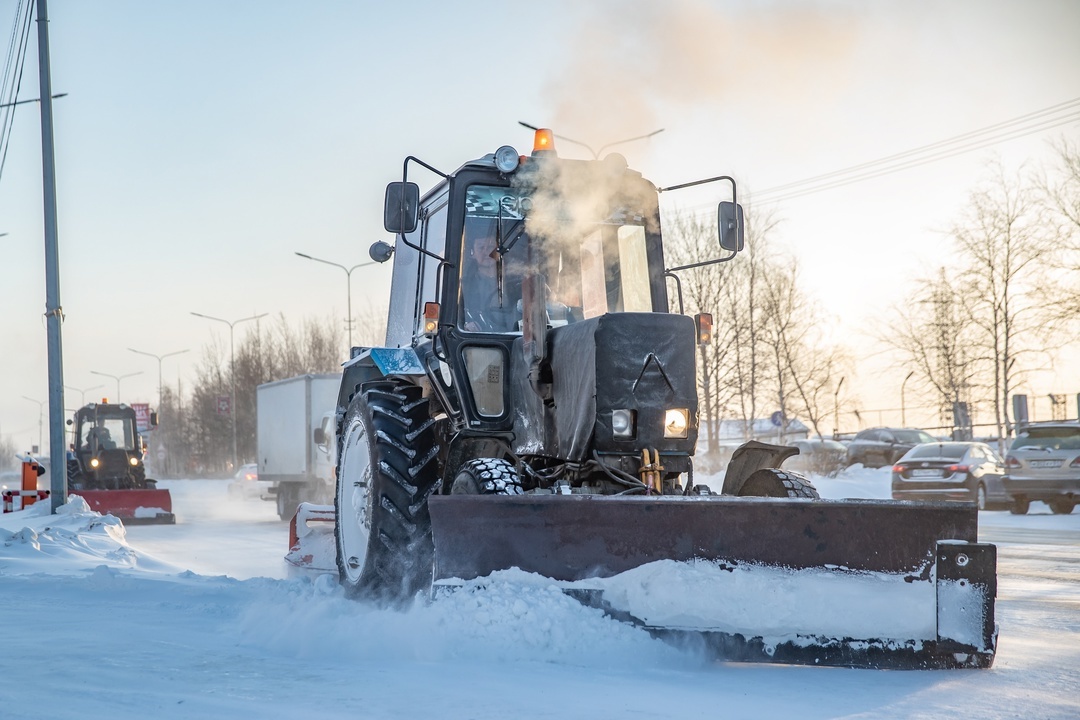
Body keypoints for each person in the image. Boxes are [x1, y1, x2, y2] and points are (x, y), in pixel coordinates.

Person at [461, 223, 522, 332]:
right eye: (481, 248)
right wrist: (465, 325)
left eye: (490, 247)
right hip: (480, 341)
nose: (487, 252)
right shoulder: (464, 287)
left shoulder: (516, 283)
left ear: (499, 252)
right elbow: (456, 317)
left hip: (517, 338)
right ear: (472, 253)